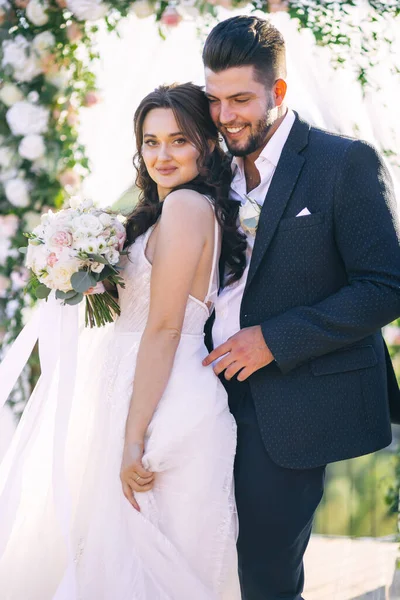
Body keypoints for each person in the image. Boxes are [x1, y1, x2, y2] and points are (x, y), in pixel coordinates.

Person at [0, 83, 246, 599]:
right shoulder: (166, 214)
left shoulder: (184, 207)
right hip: (134, 393)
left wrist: (132, 438)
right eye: (151, 142)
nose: (162, 155)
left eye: (178, 140)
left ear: (206, 143)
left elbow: (164, 328)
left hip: (164, 405)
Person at [202, 15, 400, 600]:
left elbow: (385, 284)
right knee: (201, 547)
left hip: (296, 396)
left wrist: (274, 340)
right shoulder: (211, 168)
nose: (225, 115)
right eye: (214, 100)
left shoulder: (344, 164)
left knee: (263, 566)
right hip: (203, 390)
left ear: (278, 92)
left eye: (240, 99)